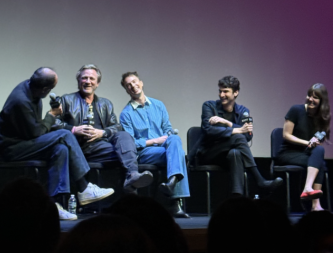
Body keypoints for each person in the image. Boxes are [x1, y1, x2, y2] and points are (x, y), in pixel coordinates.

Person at [0, 67, 114, 220]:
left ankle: (54, 205)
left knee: (60, 149)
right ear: (45, 89)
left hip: (27, 141)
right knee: (65, 134)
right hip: (13, 148)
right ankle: (84, 187)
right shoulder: (21, 101)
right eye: (51, 88)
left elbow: (35, 129)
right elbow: (36, 133)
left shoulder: (30, 88)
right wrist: (51, 115)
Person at [58, 64, 154, 193]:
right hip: (77, 148)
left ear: (97, 83)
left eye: (92, 79)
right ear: (78, 81)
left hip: (101, 148)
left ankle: (132, 176)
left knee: (124, 138)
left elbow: (117, 127)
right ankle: (131, 188)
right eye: (84, 78)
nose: (88, 81)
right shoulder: (66, 100)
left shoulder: (105, 104)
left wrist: (102, 133)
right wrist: (74, 129)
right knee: (127, 156)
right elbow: (53, 123)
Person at [190, 76, 282, 197]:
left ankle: (236, 198)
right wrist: (237, 129)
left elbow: (248, 136)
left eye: (225, 91)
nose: (221, 95)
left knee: (236, 153)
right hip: (209, 153)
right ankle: (259, 180)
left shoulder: (243, 111)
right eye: (220, 91)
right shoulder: (209, 106)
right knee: (238, 137)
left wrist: (227, 123)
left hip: (227, 156)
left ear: (236, 93)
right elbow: (209, 130)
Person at [119, 72, 190, 218]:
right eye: (128, 85)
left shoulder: (159, 105)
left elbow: (167, 129)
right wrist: (154, 141)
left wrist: (168, 137)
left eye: (134, 81)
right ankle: (175, 203)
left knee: (175, 139)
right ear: (126, 90)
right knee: (179, 155)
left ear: (141, 82)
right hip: (145, 153)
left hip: (164, 149)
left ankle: (172, 181)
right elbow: (130, 142)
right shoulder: (126, 114)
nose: (133, 86)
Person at [277, 83, 331, 211]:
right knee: (320, 164)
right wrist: (307, 142)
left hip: (305, 153)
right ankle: (314, 203)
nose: (311, 99)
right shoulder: (296, 110)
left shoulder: (323, 117)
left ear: (322, 101)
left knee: (320, 150)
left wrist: (315, 142)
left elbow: (321, 141)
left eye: (315, 97)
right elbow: (286, 135)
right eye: (309, 96)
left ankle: (311, 196)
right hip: (288, 153)